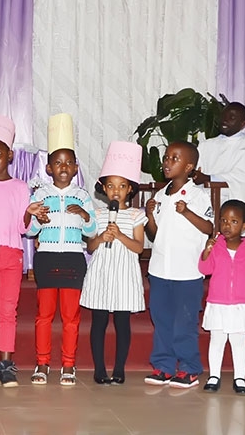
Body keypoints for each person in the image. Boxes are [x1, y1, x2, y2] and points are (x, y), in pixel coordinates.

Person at [0, 115, 46, 387]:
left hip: (12, 255)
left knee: (8, 311)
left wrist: (28, 212)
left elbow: (22, 228)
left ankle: (6, 363)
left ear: (10, 155)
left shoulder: (20, 187)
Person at [26, 114, 97, 386]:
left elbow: (91, 233)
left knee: (70, 317)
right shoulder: (41, 194)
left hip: (73, 259)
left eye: (68, 162)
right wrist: (37, 219)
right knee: (44, 315)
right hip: (46, 258)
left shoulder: (82, 196)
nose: (63, 167)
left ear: (76, 167)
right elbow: (30, 231)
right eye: (58, 162)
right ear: (48, 168)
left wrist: (84, 215)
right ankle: (42, 363)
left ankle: (68, 365)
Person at [144, 141, 213, 388]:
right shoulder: (160, 195)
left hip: (187, 272)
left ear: (189, 167)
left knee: (184, 322)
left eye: (175, 158)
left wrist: (187, 212)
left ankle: (188, 368)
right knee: (161, 320)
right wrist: (150, 215)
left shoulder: (198, 195)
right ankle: (163, 366)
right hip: (160, 269)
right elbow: (154, 234)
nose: (167, 162)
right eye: (166, 157)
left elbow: (209, 228)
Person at [80, 141, 148, 385]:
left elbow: (139, 247)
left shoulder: (136, 215)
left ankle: (119, 368)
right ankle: (99, 369)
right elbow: (89, 245)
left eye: (122, 186)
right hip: (101, 273)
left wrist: (120, 235)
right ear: (104, 189)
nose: (116, 191)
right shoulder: (97, 214)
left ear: (130, 189)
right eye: (111, 186)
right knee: (98, 321)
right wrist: (101, 237)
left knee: (122, 322)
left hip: (124, 275)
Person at [198, 200, 245, 395]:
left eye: (234, 221)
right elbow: (205, 269)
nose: (227, 225)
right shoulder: (216, 245)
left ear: (244, 225)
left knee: (238, 341)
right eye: (223, 220)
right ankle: (214, 376)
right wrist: (206, 252)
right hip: (218, 302)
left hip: (240, 303)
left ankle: (240, 377)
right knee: (217, 339)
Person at [193, 102, 245, 237]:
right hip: (205, 194)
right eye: (224, 116)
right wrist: (196, 176)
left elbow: (244, 177)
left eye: (232, 118)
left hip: (233, 194)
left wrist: (208, 178)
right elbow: (195, 170)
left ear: (243, 124)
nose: (225, 120)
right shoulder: (207, 145)